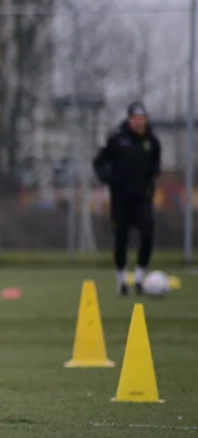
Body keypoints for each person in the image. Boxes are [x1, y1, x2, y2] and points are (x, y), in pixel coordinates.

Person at [93, 101, 161, 296]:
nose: (139, 122)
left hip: (142, 199)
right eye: (136, 118)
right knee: (121, 238)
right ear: (129, 119)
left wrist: (149, 185)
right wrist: (108, 179)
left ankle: (139, 277)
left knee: (147, 232)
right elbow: (99, 162)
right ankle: (122, 280)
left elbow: (155, 168)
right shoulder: (116, 140)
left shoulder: (152, 142)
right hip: (120, 199)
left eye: (142, 118)